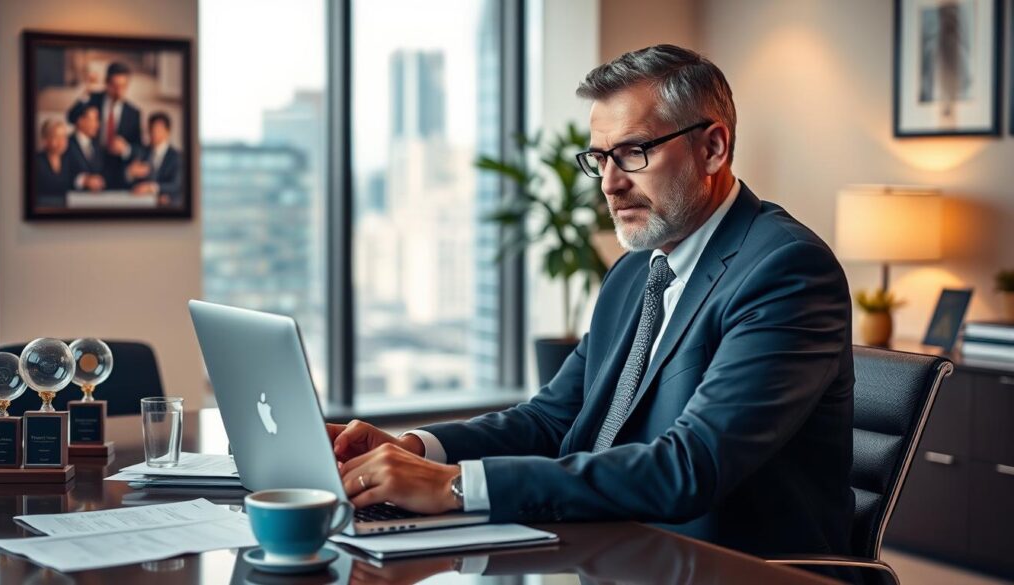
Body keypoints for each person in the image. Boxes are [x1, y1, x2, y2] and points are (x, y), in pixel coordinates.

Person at [327, 44, 855, 559]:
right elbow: (551, 419)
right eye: (600, 158)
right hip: (610, 555)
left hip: (730, 572)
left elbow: (690, 467)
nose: (609, 183)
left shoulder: (786, 270)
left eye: (632, 152)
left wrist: (458, 487)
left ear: (713, 148)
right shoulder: (635, 272)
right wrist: (413, 450)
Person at [67, 61, 142, 188]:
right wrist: (86, 93)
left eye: (123, 86)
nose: (119, 91)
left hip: (119, 170)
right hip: (91, 166)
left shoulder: (134, 113)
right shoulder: (93, 99)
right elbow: (71, 117)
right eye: (115, 86)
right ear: (107, 83)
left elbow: (139, 148)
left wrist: (125, 149)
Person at [127, 112, 182, 206]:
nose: (154, 133)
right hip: (141, 205)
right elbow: (129, 181)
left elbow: (176, 185)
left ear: (167, 131)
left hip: (167, 206)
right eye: (151, 129)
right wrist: (130, 173)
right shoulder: (142, 152)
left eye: (158, 129)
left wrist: (151, 188)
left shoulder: (176, 156)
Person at [33, 118, 76, 203]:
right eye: (57, 137)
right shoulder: (37, 162)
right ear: (45, 140)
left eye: (64, 137)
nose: (62, 141)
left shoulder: (68, 160)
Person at [66, 103, 106, 191]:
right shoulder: (66, 144)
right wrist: (83, 181)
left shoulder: (98, 146)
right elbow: (60, 175)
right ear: (80, 121)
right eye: (94, 120)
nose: (97, 124)